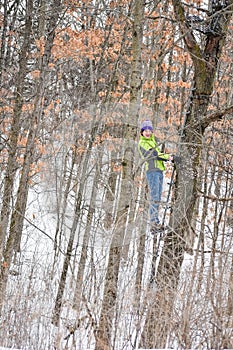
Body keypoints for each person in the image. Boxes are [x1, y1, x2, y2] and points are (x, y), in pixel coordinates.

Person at [138, 120, 173, 234]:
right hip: (152, 172)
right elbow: (154, 155)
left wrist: (170, 158)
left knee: (157, 198)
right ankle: (153, 223)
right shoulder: (142, 143)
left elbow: (158, 154)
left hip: (159, 171)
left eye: (149, 130)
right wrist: (169, 157)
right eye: (145, 131)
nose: (147, 133)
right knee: (154, 197)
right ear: (142, 132)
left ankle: (156, 222)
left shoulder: (153, 142)